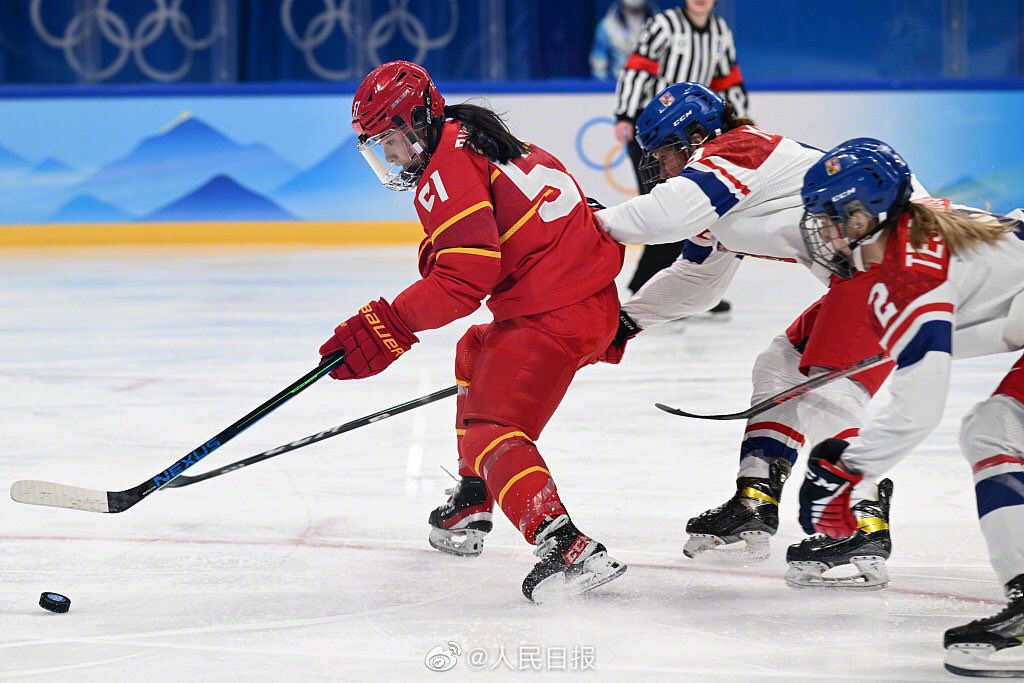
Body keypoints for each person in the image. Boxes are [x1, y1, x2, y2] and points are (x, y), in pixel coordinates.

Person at [594, 83, 931, 588]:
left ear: (694, 136)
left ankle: (862, 521)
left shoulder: (740, 151)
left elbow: (662, 216)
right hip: (866, 273)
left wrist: (581, 224)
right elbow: (697, 281)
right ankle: (755, 499)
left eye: (665, 153)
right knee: (780, 368)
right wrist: (625, 321)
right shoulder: (717, 191)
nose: (661, 169)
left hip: (898, 262)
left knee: (827, 387)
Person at [321, 60, 627, 603]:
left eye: (391, 140)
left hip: (554, 315)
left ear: (419, 120)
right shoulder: (481, 139)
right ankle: (476, 492)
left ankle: (565, 543)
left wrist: (386, 327)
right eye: (379, 146)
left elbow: (465, 280)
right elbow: (577, 209)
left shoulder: (446, 170)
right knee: (476, 350)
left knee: (491, 428)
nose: (389, 156)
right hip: (581, 302)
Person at [794, 140, 1024, 677]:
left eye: (831, 219)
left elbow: (920, 407)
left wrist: (849, 469)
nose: (821, 234)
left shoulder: (906, 272)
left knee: (995, 431)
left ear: (864, 214)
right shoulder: (922, 229)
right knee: (994, 430)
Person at [613, 0, 747, 300]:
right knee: (670, 209)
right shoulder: (664, 25)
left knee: (698, 211)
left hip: (695, 134)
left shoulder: (720, 32)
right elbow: (638, 68)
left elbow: (729, 81)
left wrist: (738, 124)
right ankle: (647, 291)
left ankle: (685, 289)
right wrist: (624, 114)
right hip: (657, 135)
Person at [590, 0, 658, 81]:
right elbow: (598, 68)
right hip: (616, 86)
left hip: (652, 85)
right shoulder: (607, 26)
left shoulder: (659, 25)